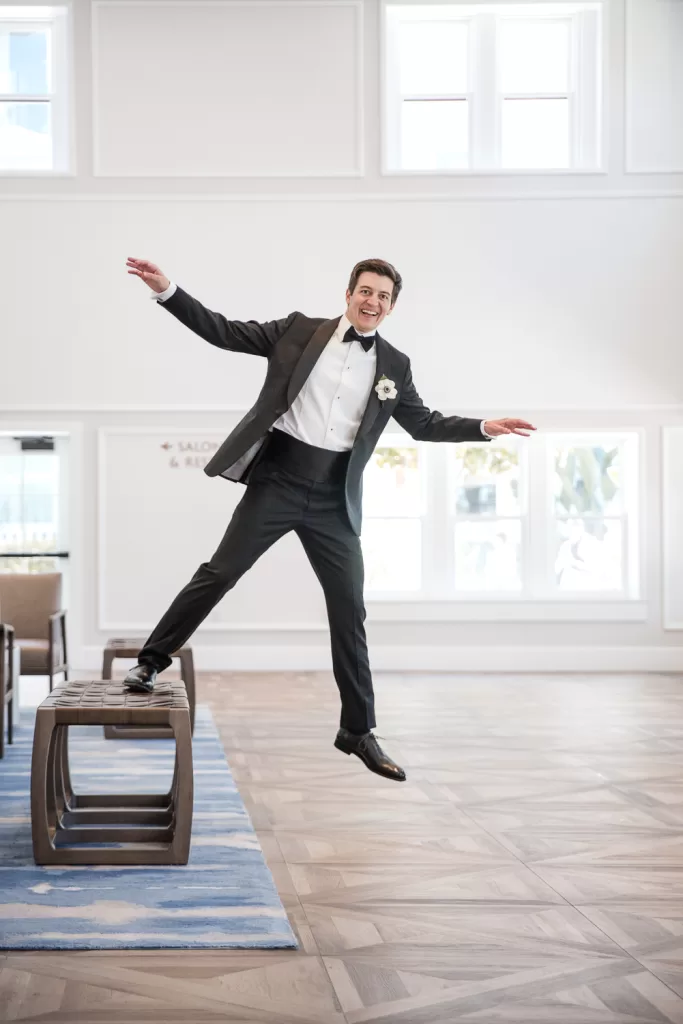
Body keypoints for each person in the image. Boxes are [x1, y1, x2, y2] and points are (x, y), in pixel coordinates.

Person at [124, 256, 536, 782]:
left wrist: (482, 427)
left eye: (384, 297)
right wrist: (169, 291)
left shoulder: (394, 365)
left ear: (391, 307)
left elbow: (424, 423)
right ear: (348, 294)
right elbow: (225, 332)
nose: (373, 302)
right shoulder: (298, 331)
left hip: (334, 499)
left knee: (349, 609)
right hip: (277, 481)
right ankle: (151, 661)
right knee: (219, 572)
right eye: (366, 291)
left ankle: (358, 730)